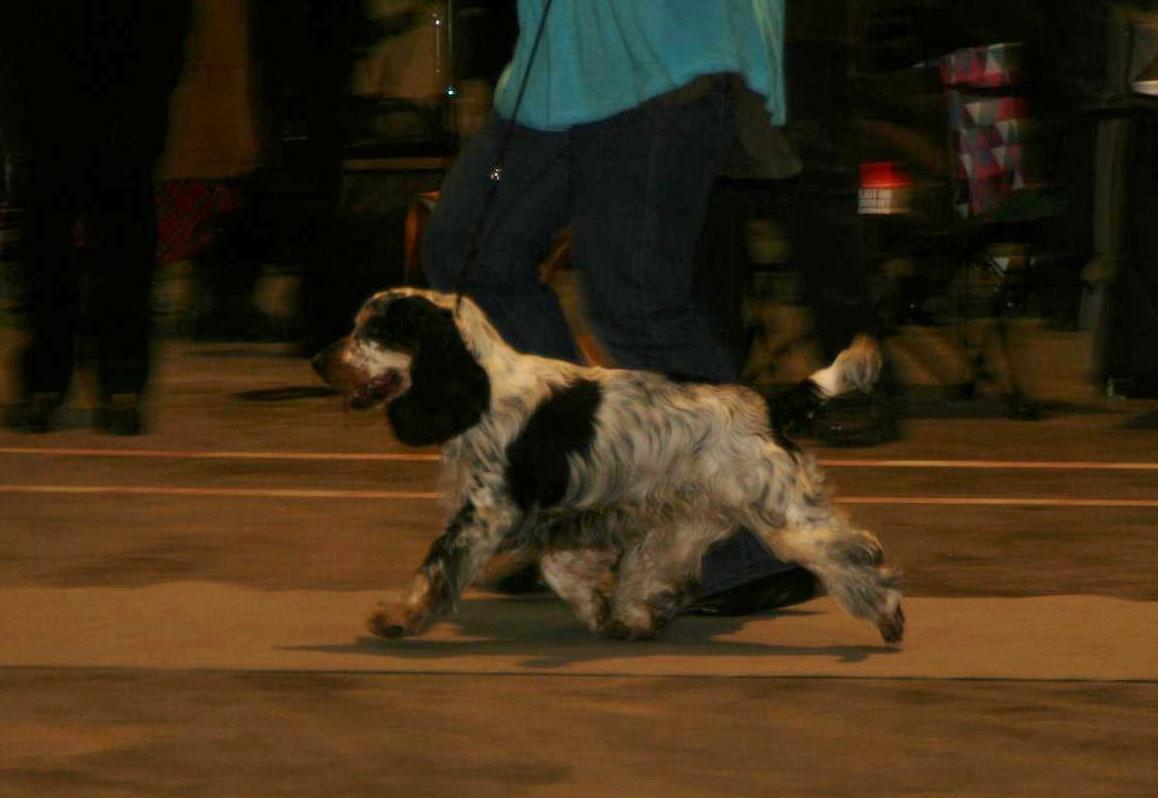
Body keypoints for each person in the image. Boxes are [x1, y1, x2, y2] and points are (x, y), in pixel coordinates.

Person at [423, 0, 816, 614]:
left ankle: (744, 548)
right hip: (558, 70)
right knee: (471, 255)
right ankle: (578, 513)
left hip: (665, 63)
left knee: (635, 305)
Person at [0, 0, 191, 435]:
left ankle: (47, 385)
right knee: (117, 239)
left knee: (49, 241)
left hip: (53, 87)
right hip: (119, 87)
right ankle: (118, 387)